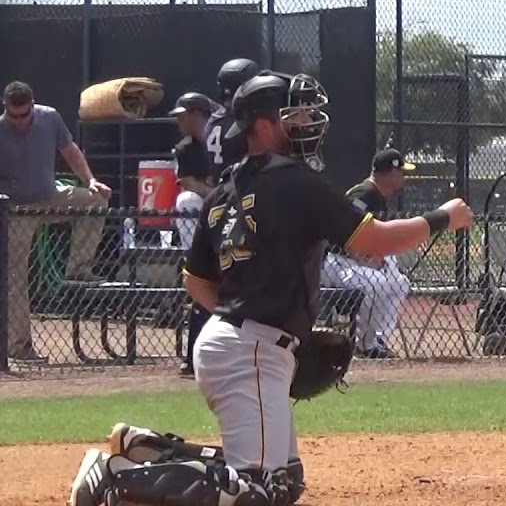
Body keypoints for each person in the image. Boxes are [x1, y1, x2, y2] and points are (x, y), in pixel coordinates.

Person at [68, 70, 475, 506]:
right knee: (257, 491)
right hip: (251, 349)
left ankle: (148, 451)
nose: (309, 123)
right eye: (295, 115)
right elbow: (375, 239)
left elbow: (196, 280)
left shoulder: (224, 190)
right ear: (263, 125)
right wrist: (444, 217)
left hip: (233, 342)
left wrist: (259, 327)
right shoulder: (295, 181)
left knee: (284, 481)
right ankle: (115, 481)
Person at [0, 81, 113, 362]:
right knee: (16, 276)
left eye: (24, 115)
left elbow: (71, 150)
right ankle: (20, 346)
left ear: (33, 106)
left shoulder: (49, 117)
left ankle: (78, 268)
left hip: (49, 197)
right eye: (14, 116)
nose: (20, 122)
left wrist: (91, 181)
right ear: (6, 108)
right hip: (16, 209)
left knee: (96, 200)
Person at [183, 59, 258, 377]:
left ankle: (192, 357)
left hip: (219, 204)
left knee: (211, 280)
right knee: (238, 281)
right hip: (242, 205)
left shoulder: (214, 119)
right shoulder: (240, 122)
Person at [320, 148, 417, 358]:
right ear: (391, 173)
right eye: (401, 172)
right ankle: (366, 343)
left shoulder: (379, 197)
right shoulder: (363, 194)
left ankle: (377, 339)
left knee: (399, 283)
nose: (403, 178)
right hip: (338, 262)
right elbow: (341, 233)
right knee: (376, 283)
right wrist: (366, 257)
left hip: (358, 264)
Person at [169, 92, 217, 377]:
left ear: (199, 114)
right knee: (186, 200)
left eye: (184, 115)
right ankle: (196, 254)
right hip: (208, 206)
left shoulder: (225, 140)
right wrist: (215, 193)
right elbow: (186, 182)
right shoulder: (186, 148)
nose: (180, 121)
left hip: (233, 208)